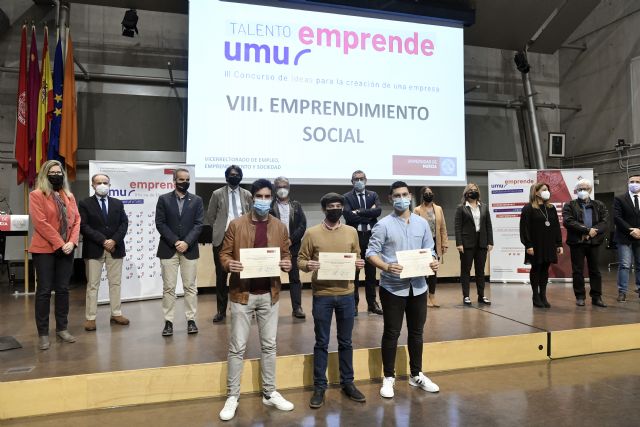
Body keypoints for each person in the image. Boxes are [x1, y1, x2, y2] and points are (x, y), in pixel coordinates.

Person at [218, 179, 294, 421]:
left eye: (267, 196)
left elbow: (286, 254)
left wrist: (287, 263)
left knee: (269, 346)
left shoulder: (279, 227)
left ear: (272, 198)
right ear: (252, 198)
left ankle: (269, 392)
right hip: (242, 294)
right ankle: (233, 395)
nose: (263, 200)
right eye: (259, 196)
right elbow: (224, 254)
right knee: (237, 347)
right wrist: (229, 264)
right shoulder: (236, 224)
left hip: (269, 294)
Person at [366, 181, 441, 399]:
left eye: (405, 194)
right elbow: (371, 253)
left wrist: (433, 261)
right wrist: (386, 266)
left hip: (418, 287)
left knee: (417, 332)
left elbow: (430, 250)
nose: (401, 198)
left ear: (410, 196)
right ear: (390, 198)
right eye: (397, 195)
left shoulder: (422, 223)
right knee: (392, 333)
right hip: (392, 288)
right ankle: (388, 377)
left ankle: (416, 374)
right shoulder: (383, 225)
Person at [298, 193, 366, 409]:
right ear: (324, 209)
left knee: (346, 341)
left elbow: (357, 255)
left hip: (347, 294)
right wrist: (308, 265)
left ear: (343, 208)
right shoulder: (311, 233)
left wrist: (359, 263)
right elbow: (300, 260)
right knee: (321, 342)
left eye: (338, 205)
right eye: (331, 206)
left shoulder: (351, 232)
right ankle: (320, 386)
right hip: (322, 295)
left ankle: (348, 383)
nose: (335, 209)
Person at [29, 160, 80, 350]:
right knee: (44, 291)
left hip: (67, 249)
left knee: (63, 290)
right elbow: (40, 223)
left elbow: (77, 220)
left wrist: (72, 242)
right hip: (45, 250)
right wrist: (60, 243)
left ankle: (62, 328)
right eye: (53, 172)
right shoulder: (36, 195)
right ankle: (43, 334)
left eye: (59, 172)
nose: (57, 175)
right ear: (45, 174)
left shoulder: (69, 196)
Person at [155, 168, 204, 336]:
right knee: (168, 288)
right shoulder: (163, 199)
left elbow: (199, 224)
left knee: (190, 287)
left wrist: (186, 242)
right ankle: (168, 322)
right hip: (168, 248)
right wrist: (176, 241)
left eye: (187, 179)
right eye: (181, 179)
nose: (185, 182)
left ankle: (191, 320)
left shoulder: (197, 200)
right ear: (174, 181)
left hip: (190, 249)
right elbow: (160, 223)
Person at [79, 173, 130, 331]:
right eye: (99, 182)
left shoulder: (117, 203)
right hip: (94, 249)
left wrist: (113, 240)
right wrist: (103, 240)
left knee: (115, 283)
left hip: (115, 248)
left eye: (105, 182)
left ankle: (116, 313)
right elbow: (83, 226)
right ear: (93, 185)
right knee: (92, 285)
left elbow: (124, 224)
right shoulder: (85, 203)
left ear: (109, 185)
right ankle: (90, 317)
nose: (102, 185)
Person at [208, 165, 252, 322]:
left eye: (237, 174)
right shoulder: (217, 193)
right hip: (223, 238)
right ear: (226, 177)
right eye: (231, 174)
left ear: (241, 177)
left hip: (243, 237)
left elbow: (251, 215)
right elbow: (211, 216)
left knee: (243, 273)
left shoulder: (247, 194)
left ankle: (244, 305)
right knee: (221, 276)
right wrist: (221, 229)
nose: (234, 176)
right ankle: (221, 311)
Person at [342, 170, 383, 315]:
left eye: (361, 178)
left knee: (371, 274)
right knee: (354, 273)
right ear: (352, 181)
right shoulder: (346, 197)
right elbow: (348, 216)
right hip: (355, 238)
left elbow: (378, 212)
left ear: (366, 180)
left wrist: (358, 211)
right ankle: (353, 305)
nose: (359, 181)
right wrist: (368, 214)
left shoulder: (373, 195)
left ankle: (372, 303)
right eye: (356, 179)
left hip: (371, 237)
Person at [563, 179, 608, 307]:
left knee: (595, 270)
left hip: (594, 242)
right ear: (576, 191)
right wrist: (587, 230)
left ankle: (596, 297)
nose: (583, 191)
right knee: (577, 270)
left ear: (590, 190)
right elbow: (568, 221)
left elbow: (605, 222)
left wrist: (593, 231)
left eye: (585, 188)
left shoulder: (599, 204)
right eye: (580, 189)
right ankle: (580, 297)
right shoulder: (569, 205)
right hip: (577, 242)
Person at [519, 182, 563, 308]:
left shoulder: (551, 208)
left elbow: (556, 226)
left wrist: (559, 243)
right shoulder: (528, 208)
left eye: (547, 189)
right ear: (536, 192)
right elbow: (524, 229)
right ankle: (535, 296)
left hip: (549, 243)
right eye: (544, 189)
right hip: (535, 244)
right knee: (536, 268)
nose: (547, 191)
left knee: (545, 269)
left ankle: (543, 295)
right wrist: (528, 245)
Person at [270, 176, 307, 319]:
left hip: (293, 247)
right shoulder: (270, 206)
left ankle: (297, 308)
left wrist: (291, 240)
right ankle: (269, 307)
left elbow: (302, 225)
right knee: (271, 279)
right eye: (279, 187)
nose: (282, 189)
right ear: (275, 189)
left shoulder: (296, 205)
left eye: (284, 186)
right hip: (273, 248)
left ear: (289, 188)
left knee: (295, 279)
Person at [454, 183, 493, 306]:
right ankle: (466, 296)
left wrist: (490, 242)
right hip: (466, 243)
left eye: (475, 189)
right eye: (471, 190)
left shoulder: (484, 207)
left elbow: (488, 225)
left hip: (482, 242)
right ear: (466, 193)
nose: (473, 191)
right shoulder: (461, 208)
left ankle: (481, 295)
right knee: (466, 270)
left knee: (480, 271)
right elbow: (457, 227)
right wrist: (459, 243)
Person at [414, 186, 448, 307]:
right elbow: (414, 228)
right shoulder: (417, 210)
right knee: (423, 270)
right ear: (422, 195)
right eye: (426, 193)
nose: (429, 194)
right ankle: (423, 297)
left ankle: (432, 296)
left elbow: (443, 226)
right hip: (423, 243)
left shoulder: (438, 209)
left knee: (434, 270)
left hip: (436, 242)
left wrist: (445, 243)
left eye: (430, 192)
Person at [613, 174, 640, 302]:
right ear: (628, 183)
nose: (634, 184)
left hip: (639, 236)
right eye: (632, 181)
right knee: (624, 265)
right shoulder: (619, 199)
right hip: (624, 236)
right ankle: (622, 291)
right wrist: (631, 230)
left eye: (637, 182)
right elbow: (617, 217)